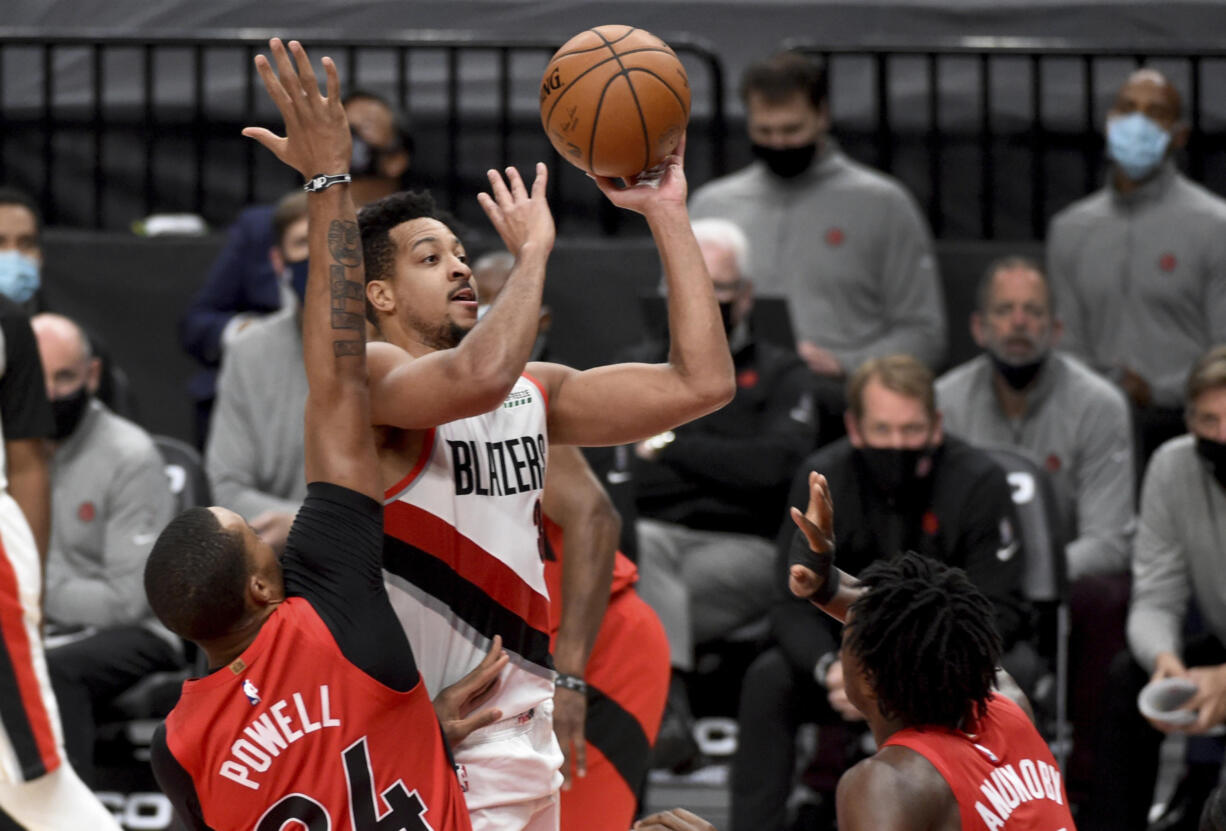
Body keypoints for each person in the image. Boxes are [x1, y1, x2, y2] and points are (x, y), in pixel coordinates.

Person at [363, 132, 735, 828]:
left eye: (461, 254)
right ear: (377, 292)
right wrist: (533, 254)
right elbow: (474, 376)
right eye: (430, 257)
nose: (458, 268)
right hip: (432, 740)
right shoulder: (370, 380)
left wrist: (666, 212)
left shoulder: (529, 394)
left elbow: (703, 382)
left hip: (521, 734)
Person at [145, 39, 470, 831]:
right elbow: (336, 384)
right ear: (265, 590)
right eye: (260, 544)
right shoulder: (328, 607)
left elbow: (322, 764)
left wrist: (415, 725)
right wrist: (330, 178)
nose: (274, 536)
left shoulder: (177, 743)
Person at [733, 354, 1028, 831]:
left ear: (936, 425)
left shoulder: (978, 482)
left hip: (954, 667)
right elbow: (790, 602)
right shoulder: (821, 481)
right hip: (846, 662)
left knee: (1019, 677)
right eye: (883, 430)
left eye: (911, 431)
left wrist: (910, 680)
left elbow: (1001, 607)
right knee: (769, 680)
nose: (897, 445)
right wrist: (834, 670)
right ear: (853, 427)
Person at [935, 255, 1135, 802]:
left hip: (1067, 583)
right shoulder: (944, 403)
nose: (1019, 322)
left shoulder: (1099, 405)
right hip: (970, 584)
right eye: (1004, 311)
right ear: (978, 326)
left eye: (1032, 311)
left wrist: (1033, 570)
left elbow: (1112, 537)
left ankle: (1093, 785)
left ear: (1056, 329)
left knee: (1106, 595)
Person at [620, 217, 816, 766]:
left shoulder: (783, 374)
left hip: (747, 547)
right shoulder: (635, 367)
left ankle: (661, 710)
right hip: (654, 543)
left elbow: (776, 470)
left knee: (626, 603)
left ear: (747, 296)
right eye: (690, 285)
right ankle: (672, 711)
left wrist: (670, 445)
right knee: (647, 551)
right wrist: (725, 459)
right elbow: (623, 474)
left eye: (719, 288)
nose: (704, 299)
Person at [784, 471, 1076, 831]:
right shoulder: (1009, 703)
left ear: (870, 678)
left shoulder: (889, 783)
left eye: (846, 637)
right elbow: (929, 623)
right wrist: (823, 581)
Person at [688, 49, 944, 429]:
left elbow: (925, 335)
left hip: (839, 407)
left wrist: (845, 363)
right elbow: (673, 316)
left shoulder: (883, 205)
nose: (779, 143)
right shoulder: (712, 204)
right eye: (764, 131)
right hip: (729, 413)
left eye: (792, 130)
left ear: (822, 116)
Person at [180, 89, 412, 445]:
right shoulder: (266, 226)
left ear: (396, 158)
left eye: (359, 129)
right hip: (265, 390)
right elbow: (197, 323)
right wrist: (256, 341)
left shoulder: (417, 235)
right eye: (339, 126)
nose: (346, 137)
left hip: (372, 387)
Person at [29, 313, 180, 786]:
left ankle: (63, 816)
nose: (50, 393)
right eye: (37, 378)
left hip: (141, 632)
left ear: (92, 376)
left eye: (65, 377)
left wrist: (30, 592)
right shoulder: (8, 448)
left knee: (52, 671)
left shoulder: (129, 456)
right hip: (39, 623)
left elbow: (127, 600)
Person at [1048, 68, 1226, 465]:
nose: (1138, 122)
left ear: (1179, 135)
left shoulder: (1215, 227)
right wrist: (1103, 390)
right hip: (1094, 429)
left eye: (1155, 112)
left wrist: (1160, 391)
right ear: (1110, 122)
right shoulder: (1071, 228)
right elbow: (1066, 340)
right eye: (1127, 108)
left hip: (1192, 429)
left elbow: (1223, 350)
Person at [1083, 345, 1226, 831]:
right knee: (1130, 676)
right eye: (1208, 420)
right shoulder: (1173, 466)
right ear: (1187, 420)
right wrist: (1163, 660)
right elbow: (1155, 596)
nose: (1221, 436)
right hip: (1218, 647)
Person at [541, 445, 670, 831]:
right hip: (487, 659)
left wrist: (568, 676)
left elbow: (595, 516)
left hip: (597, 652)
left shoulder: (514, 400)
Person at [204, 191, 310, 553]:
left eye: (334, 241)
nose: (321, 257)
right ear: (278, 262)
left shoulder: (396, 344)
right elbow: (228, 487)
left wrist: (305, 524)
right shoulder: (249, 351)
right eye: (303, 244)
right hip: (281, 561)